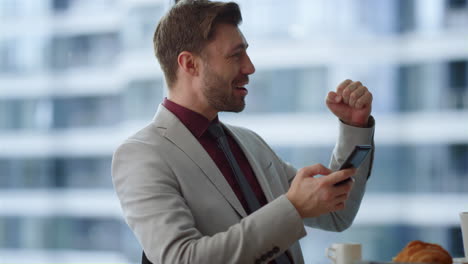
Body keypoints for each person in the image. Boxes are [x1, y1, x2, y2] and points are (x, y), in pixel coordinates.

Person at [111, 1, 375, 263]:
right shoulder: (141, 155)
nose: (250, 68)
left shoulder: (250, 143)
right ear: (190, 64)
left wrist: (355, 128)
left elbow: (336, 214)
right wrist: (292, 208)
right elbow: (183, 259)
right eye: (236, 55)